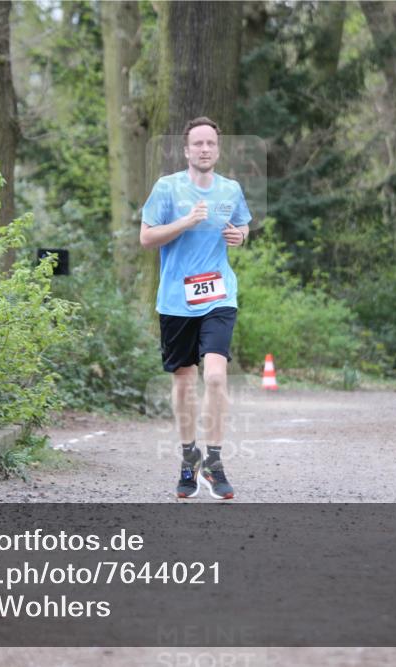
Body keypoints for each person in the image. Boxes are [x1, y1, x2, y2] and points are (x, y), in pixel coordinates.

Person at [139, 117, 252, 500]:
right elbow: (146, 237)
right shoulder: (167, 188)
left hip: (219, 296)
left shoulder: (231, 190)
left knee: (216, 378)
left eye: (211, 143)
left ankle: (215, 462)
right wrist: (185, 222)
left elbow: (242, 226)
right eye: (198, 143)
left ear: (218, 150)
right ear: (186, 150)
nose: (205, 149)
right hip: (176, 300)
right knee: (184, 383)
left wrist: (240, 235)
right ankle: (190, 459)